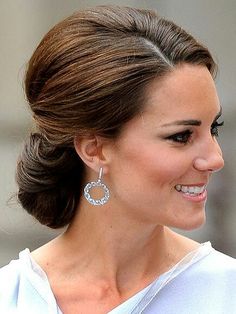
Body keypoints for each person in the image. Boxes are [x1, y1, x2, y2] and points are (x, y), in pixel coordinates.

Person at [0, 5, 235, 314]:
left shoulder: (226, 292)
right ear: (94, 149)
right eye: (181, 136)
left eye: (213, 128)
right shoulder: (11, 297)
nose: (215, 159)